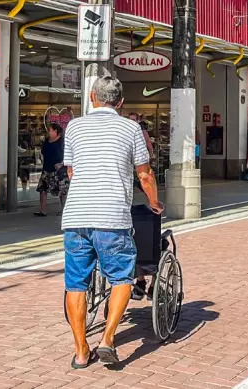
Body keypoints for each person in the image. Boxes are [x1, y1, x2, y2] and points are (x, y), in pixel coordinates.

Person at [62, 76, 162, 367]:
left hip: (76, 217)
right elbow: (144, 175)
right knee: (122, 278)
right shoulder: (131, 128)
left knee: (75, 284)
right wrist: (154, 203)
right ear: (120, 103)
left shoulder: (74, 127)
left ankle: (81, 352)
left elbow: (71, 172)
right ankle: (107, 339)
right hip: (112, 217)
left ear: (92, 97)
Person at [35, 123, 68, 217]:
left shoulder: (62, 141)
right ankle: (43, 210)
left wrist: (62, 163)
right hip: (46, 168)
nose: (48, 132)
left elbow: (69, 154)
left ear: (55, 131)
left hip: (59, 170)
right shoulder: (46, 141)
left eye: (50, 130)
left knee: (62, 190)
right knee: (42, 189)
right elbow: (43, 152)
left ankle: (63, 210)